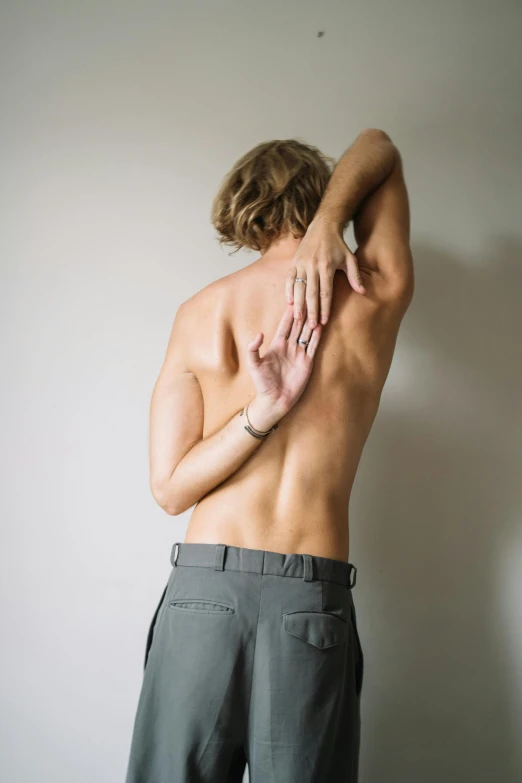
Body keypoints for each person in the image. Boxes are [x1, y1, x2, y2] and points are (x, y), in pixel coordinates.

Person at [125, 128, 413, 782]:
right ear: (321, 199)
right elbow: (380, 149)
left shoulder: (200, 313)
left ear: (245, 207)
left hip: (203, 593)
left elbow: (170, 490)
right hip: (311, 597)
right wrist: (330, 228)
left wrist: (255, 416)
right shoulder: (373, 294)